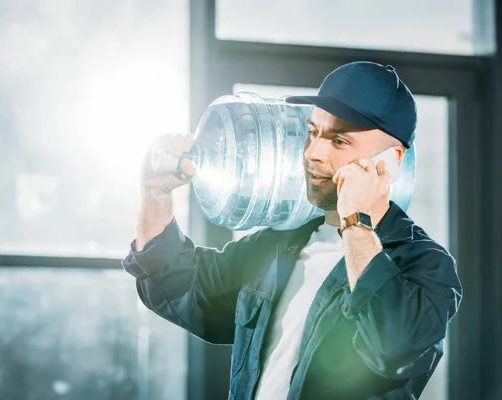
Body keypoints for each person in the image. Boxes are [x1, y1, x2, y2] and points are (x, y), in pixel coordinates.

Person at [122, 61, 462, 399]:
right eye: (313, 132)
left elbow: (391, 345)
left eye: (339, 141)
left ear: (391, 161)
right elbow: (174, 283)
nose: (313, 153)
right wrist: (155, 194)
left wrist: (356, 221)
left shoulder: (425, 266)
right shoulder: (278, 245)